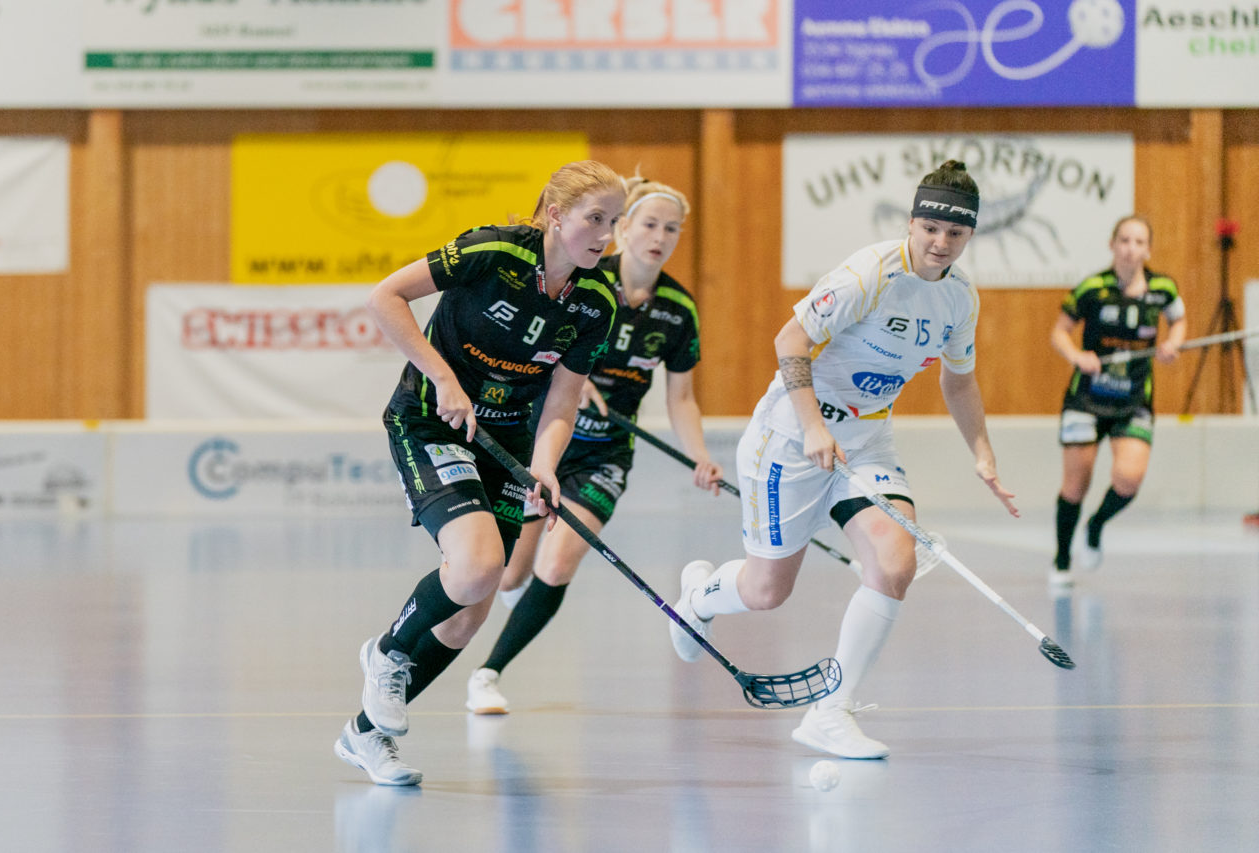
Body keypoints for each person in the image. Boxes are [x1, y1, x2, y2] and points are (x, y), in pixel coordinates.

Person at [667, 159, 1018, 760]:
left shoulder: (960, 299)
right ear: (912, 221)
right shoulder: (868, 274)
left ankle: (831, 711)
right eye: (930, 227)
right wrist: (811, 427)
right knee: (766, 590)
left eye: (954, 234)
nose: (940, 243)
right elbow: (790, 343)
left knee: (895, 558)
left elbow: (959, 382)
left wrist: (982, 454)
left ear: (969, 237)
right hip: (792, 436)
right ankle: (699, 598)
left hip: (867, 441)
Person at [333, 160, 627, 785]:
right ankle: (385, 652)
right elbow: (385, 296)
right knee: (476, 568)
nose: (606, 235)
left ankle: (366, 735)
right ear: (555, 215)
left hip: (507, 442)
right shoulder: (491, 250)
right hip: (431, 422)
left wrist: (545, 468)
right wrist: (442, 377)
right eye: (594, 219)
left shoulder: (597, 302)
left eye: (613, 222)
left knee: (469, 612)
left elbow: (563, 399)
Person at [463, 176, 724, 715]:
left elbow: (682, 399)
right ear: (623, 229)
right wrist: (574, 385)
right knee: (510, 573)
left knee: (557, 566)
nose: (660, 236)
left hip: (605, 457)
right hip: (543, 445)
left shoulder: (678, 310)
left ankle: (488, 675)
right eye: (649, 224)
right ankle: (513, 600)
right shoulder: (584, 281)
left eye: (672, 229)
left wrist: (699, 453)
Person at [1049, 216, 1186, 586]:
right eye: (1124, 240)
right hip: (1087, 399)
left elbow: (1178, 320)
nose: (1131, 247)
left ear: (1148, 250)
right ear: (1112, 245)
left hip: (1133, 400)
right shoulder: (1092, 288)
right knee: (1076, 485)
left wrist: (1172, 343)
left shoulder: (1163, 289)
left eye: (1139, 241)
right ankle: (1061, 560)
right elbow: (1059, 333)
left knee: (1129, 479)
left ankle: (1095, 526)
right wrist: (1077, 356)